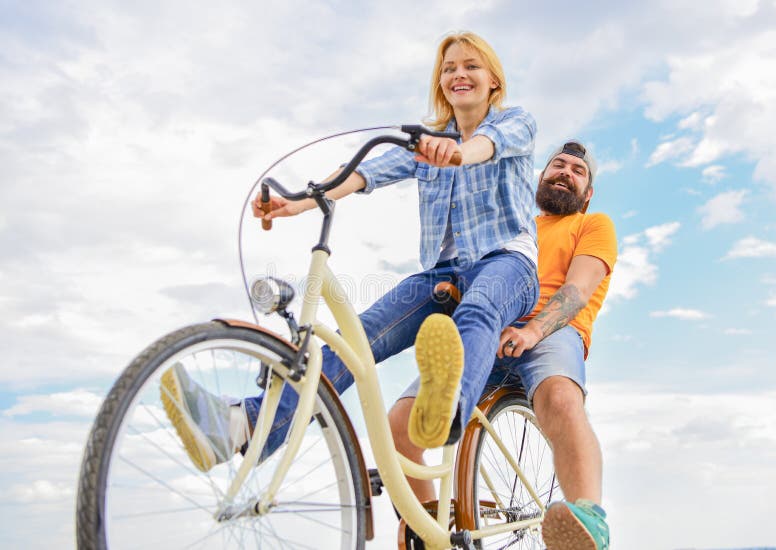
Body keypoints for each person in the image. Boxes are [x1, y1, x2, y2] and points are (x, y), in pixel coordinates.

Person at [159, 32, 539, 472]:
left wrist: (456, 151)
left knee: (478, 311)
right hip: (442, 274)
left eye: (471, 66)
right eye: (449, 68)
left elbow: (485, 145)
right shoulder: (426, 146)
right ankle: (241, 425)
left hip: (508, 263)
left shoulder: (517, 121)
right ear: (440, 83)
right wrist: (299, 201)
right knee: (354, 339)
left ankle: (445, 410)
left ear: (493, 80)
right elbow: (363, 174)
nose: (459, 74)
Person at [387, 140, 617, 550]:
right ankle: (427, 522)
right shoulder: (513, 231)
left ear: (588, 193)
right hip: (490, 327)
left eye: (577, 171)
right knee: (399, 426)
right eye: (557, 165)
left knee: (561, 400)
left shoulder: (592, 224)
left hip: (552, 329)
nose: (565, 171)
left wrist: (532, 331)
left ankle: (588, 519)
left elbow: (578, 289)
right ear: (540, 178)